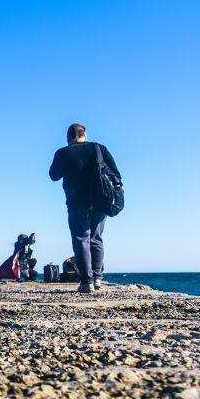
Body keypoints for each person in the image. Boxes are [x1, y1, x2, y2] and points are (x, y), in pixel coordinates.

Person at [49, 123, 121, 293]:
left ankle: (86, 281)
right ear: (85, 134)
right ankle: (97, 279)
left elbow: (53, 176)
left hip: (76, 202)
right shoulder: (99, 148)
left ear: (68, 137)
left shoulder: (63, 152)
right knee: (96, 239)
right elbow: (115, 174)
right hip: (100, 201)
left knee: (81, 239)